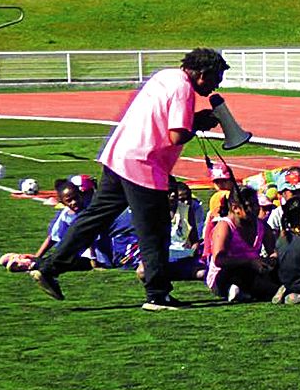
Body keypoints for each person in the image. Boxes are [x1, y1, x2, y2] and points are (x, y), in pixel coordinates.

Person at [24, 47, 229, 309]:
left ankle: (49, 267)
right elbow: (177, 134)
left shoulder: (165, 76)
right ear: (202, 74)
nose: (216, 86)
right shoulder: (184, 89)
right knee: (154, 231)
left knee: (95, 217)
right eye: (216, 79)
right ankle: (157, 294)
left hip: (119, 154)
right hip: (143, 164)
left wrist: (193, 120)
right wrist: (198, 123)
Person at [204, 188, 276, 303]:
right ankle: (237, 290)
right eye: (249, 206)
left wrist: (271, 261)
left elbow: (273, 251)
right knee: (241, 275)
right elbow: (219, 259)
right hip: (225, 275)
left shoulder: (262, 226)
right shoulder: (225, 226)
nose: (255, 209)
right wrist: (250, 262)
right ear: (235, 208)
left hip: (253, 269)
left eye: (256, 204)